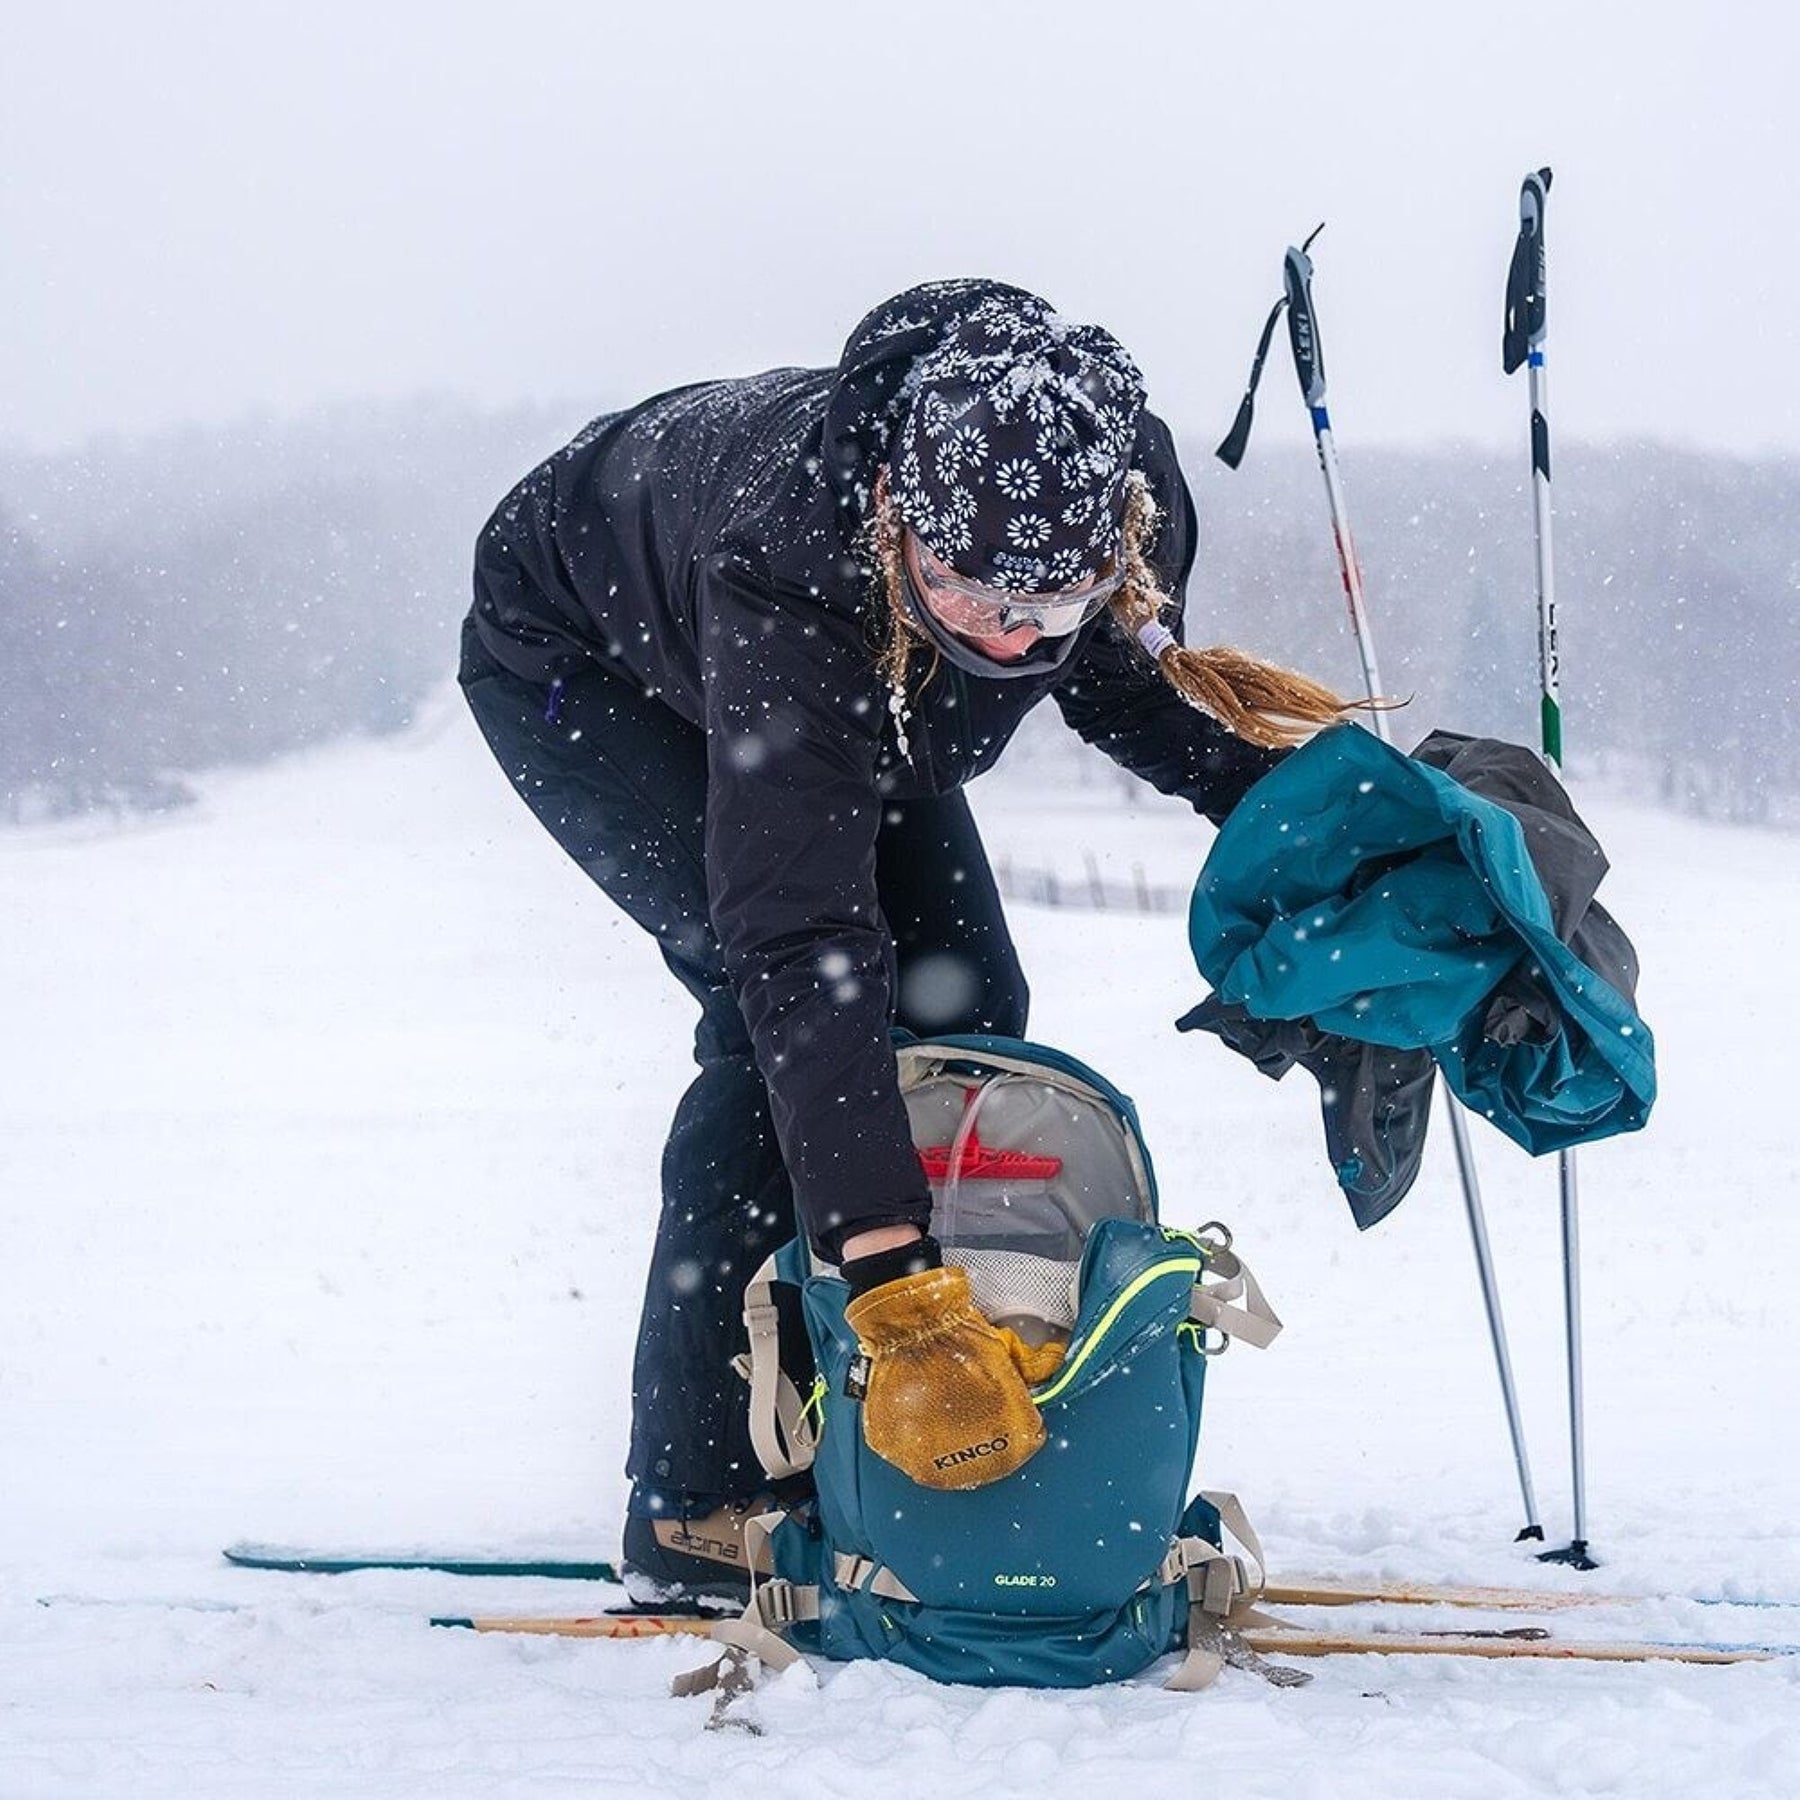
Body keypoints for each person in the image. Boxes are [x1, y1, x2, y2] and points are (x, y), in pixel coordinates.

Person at [458, 278, 1356, 1607]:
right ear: (899, 520)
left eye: (1042, 612)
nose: (1008, 638)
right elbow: (798, 945)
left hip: (869, 680)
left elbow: (1123, 691)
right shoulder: (789, 560)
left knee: (963, 1000)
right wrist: (894, 1278)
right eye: (970, 595)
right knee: (788, 1033)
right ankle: (698, 1499)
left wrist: (1318, 825)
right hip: (590, 664)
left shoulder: (1117, 488)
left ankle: (839, 1420)